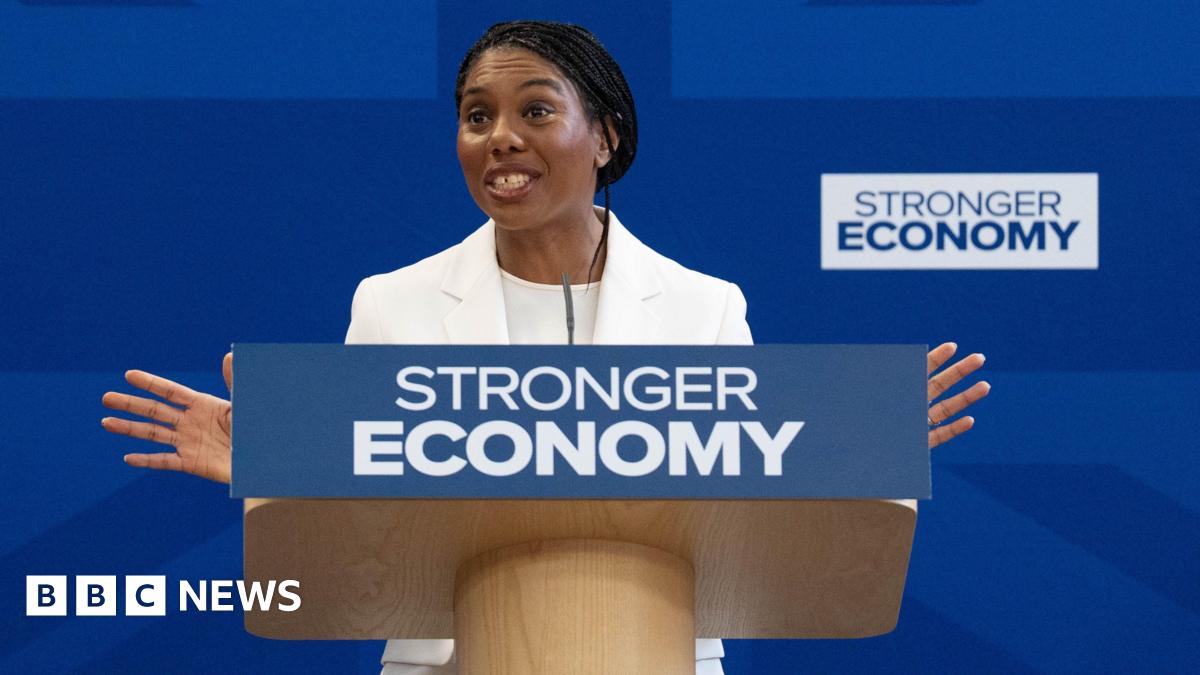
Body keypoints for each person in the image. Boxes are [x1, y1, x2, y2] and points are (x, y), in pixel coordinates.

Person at [100, 20, 990, 675]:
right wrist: (281, 460)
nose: (501, 138)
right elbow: (366, 513)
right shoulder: (394, 304)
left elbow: (741, 500)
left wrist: (851, 451)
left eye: (535, 109)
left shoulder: (704, 308)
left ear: (604, 137)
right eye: (476, 115)